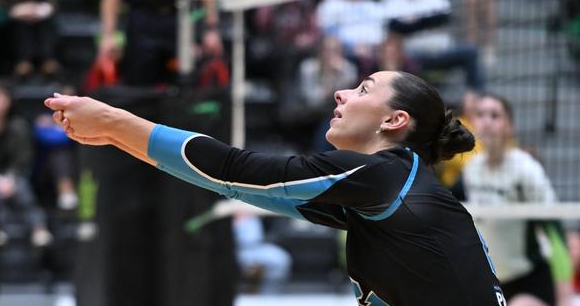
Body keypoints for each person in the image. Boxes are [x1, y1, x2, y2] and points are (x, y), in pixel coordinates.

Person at [44, 71, 505, 305]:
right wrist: (114, 136)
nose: (341, 94)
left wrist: (112, 119)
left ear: (393, 121)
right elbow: (235, 185)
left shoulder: (386, 176)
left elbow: (234, 169)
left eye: (363, 89)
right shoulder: (385, 189)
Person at [463, 94, 574, 306]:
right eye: (480, 115)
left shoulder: (526, 169)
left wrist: (564, 289)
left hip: (530, 279)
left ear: (509, 126)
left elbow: (554, 230)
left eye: (495, 115)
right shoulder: (472, 169)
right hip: (492, 280)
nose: (487, 121)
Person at [0, 83, 51, 247]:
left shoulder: (18, 126)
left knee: (23, 191)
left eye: (2, 98)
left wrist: (10, 178)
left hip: (14, 174)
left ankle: (39, 229)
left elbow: (24, 158)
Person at [382, 0, 484, 90]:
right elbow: (395, 27)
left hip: (443, 53)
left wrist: (412, 24)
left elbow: (444, 18)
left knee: (470, 50)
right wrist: (426, 21)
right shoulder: (392, 0)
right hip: (412, 56)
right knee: (401, 59)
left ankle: (475, 95)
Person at [233, 214, 291, 294]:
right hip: (236, 249)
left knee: (280, 258)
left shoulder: (252, 211)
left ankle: (269, 295)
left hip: (257, 247)